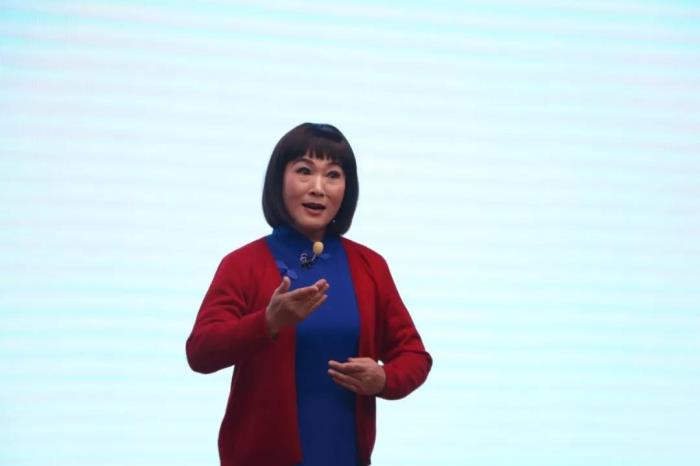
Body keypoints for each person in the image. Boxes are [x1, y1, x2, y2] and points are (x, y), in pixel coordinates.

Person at [186, 123, 432, 466]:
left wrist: (385, 379)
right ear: (279, 179)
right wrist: (267, 323)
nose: (318, 188)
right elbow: (200, 352)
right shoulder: (242, 264)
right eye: (304, 171)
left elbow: (415, 356)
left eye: (333, 175)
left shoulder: (369, 266)